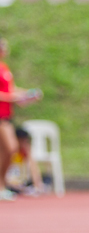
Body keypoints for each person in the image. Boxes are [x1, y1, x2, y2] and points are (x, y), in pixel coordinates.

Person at [0, 37, 42, 201]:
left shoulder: (4, 67)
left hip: (6, 115)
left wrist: (26, 94)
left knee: (8, 151)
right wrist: (14, 98)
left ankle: (2, 185)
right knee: (10, 148)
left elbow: (11, 89)